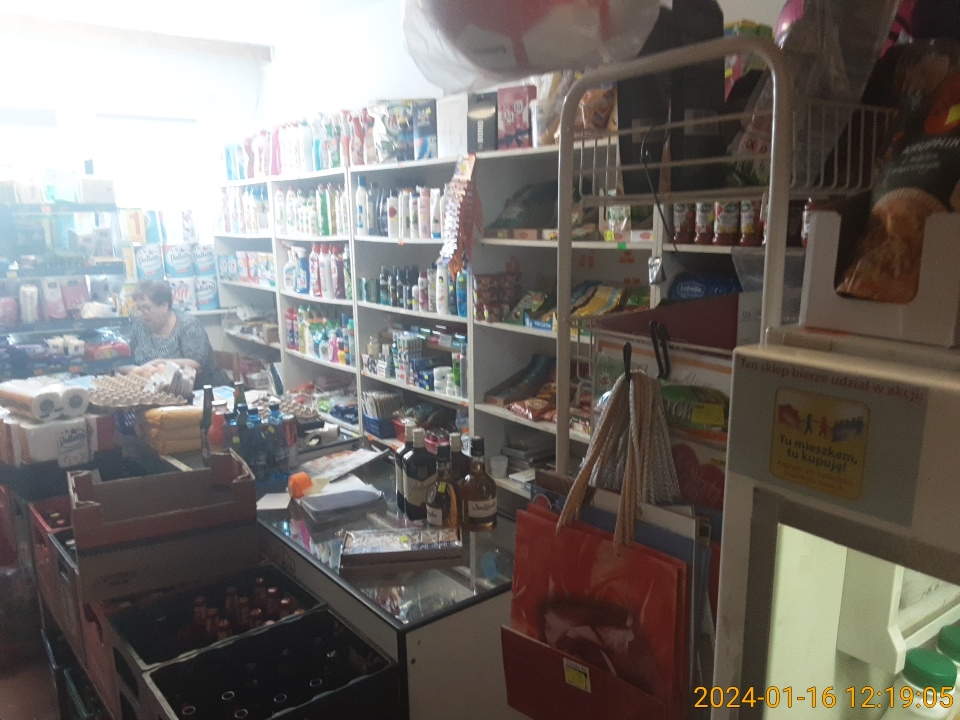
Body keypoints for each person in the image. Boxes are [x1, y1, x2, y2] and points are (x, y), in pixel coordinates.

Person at [121, 280, 229, 388]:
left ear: (164, 306)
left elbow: (197, 366)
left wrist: (159, 363)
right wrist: (132, 369)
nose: (141, 313)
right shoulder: (139, 326)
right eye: (138, 308)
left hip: (202, 390)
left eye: (145, 307)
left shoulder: (188, 325)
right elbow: (125, 358)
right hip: (156, 390)